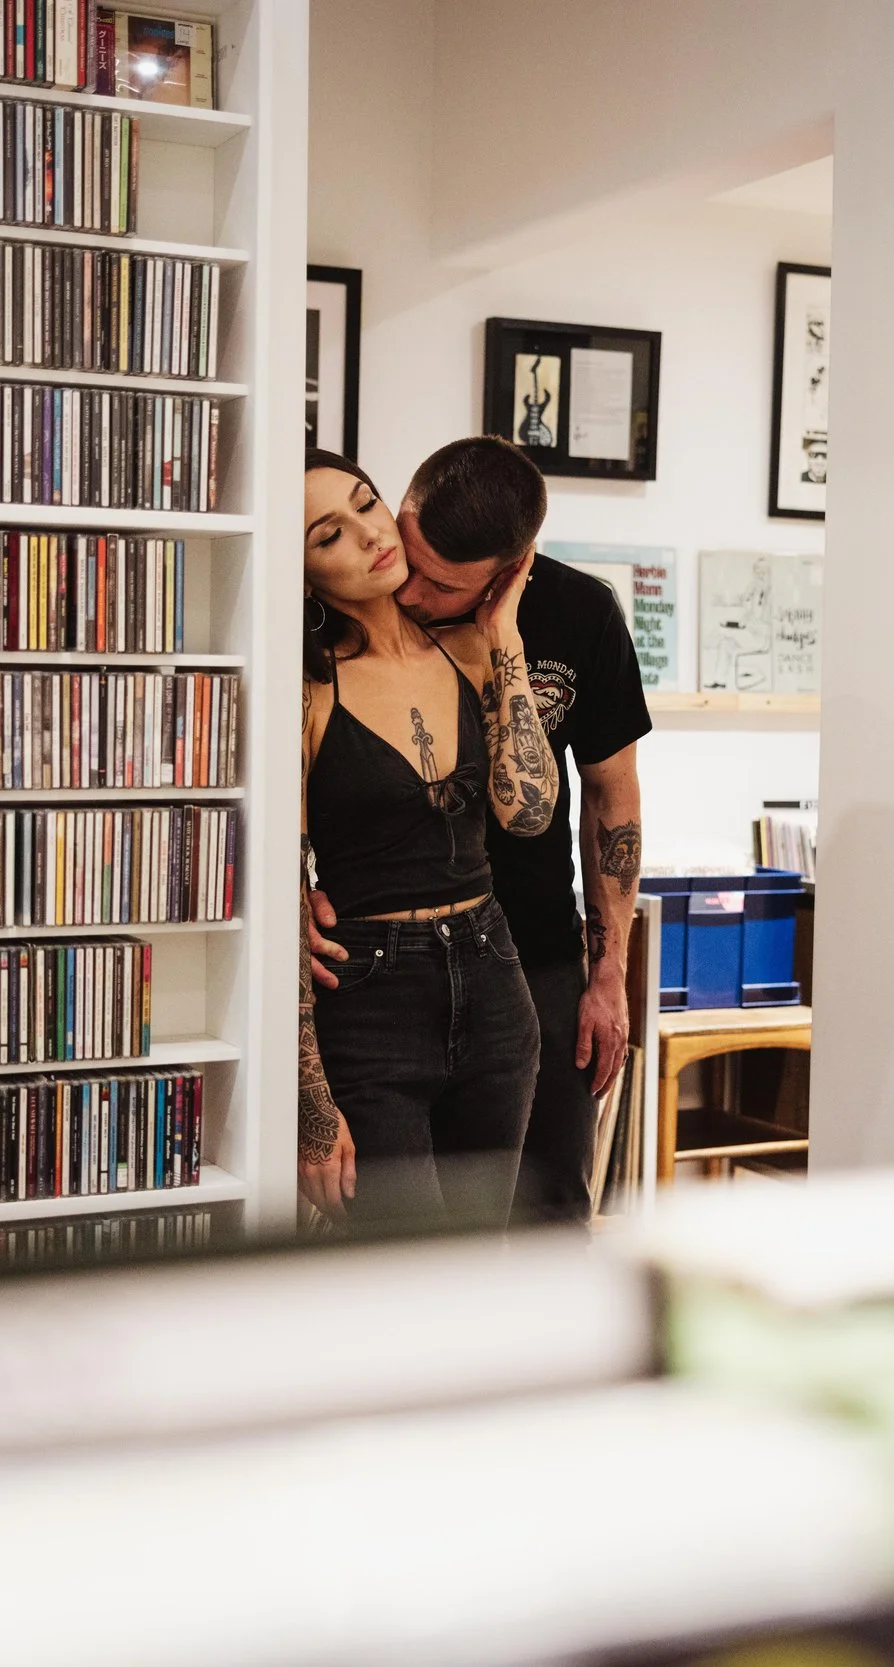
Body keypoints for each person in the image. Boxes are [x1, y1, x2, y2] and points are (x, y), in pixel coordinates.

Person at [310, 437, 650, 1226]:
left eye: (441, 585)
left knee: (548, 1206)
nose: (410, 589)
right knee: (404, 1230)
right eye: (411, 552)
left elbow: (611, 797)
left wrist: (609, 969)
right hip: (380, 966)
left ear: (508, 571)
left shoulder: (578, 613)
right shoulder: (342, 627)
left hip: (532, 953)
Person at [297, 449, 561, 1231]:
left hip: (493, 980)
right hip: (369, 997)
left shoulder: (472, 651)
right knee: (398, 1262)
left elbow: (528, 812)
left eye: (366, 503)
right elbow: (281, 895)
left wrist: (503, 632)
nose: (368, 534)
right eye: (327, 536)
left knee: (479, 1256)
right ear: (303, 572)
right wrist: (310, 1102)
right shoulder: (307, 688)